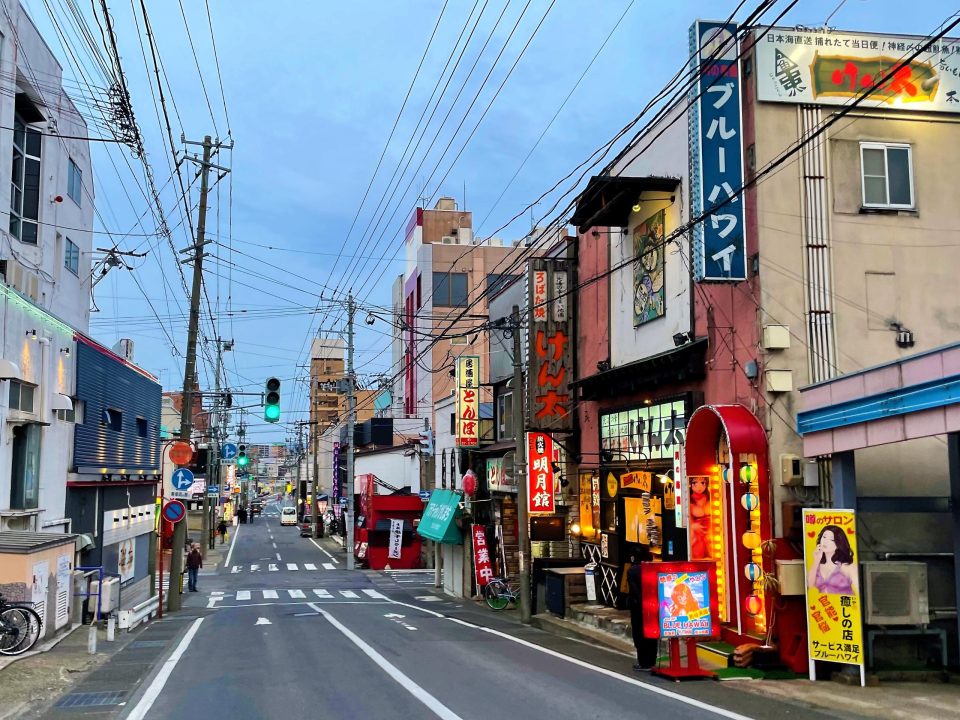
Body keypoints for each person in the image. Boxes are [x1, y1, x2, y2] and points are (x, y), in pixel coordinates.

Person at [626, 547, 659, 671]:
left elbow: (634, 591)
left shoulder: (632, 571)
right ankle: (652, 661)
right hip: (653, 606)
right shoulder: (653, 569)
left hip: (638, 608)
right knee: (652, 633)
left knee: (639, 634)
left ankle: (643, 662)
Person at [808, 525, 858, 595]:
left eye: (831, 540)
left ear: (839, 543)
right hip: (824, 604)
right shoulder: (817, 565)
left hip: (843, 604)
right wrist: (816, 560)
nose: (826, 541)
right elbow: (810, 586)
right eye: (824, 537)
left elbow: (861, 593)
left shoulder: (847, 566)